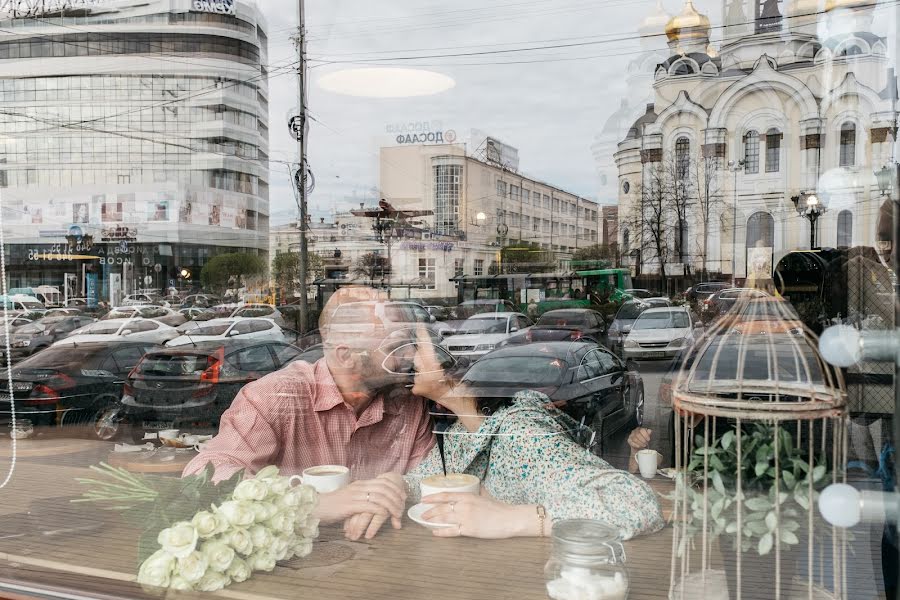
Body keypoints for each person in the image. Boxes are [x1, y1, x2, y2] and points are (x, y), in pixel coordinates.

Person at [183, 286, 435, 540]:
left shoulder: (408, 403)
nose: (412, 356)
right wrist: (310, 504)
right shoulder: (276, 397)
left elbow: (428, 484)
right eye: (397, 346)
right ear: (347, 357)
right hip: (290, 569)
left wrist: (398, 487)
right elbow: (204, 476)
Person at [395, 330, 665, 541]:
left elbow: (636, 504)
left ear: (448, 363)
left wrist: (512, 519)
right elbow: (428, 481)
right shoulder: (461, 433)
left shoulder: (522, 433)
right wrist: (393, 488)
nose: (407, 357)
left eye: (417, 347)